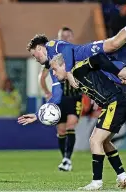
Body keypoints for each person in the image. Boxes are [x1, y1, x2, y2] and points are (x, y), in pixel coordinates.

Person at [18, 52, 126, 190]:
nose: (54, 74)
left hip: (115, 102)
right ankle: (122, 176)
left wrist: (116, 73)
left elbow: (99, 57)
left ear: (64, 65)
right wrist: (37, 115)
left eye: (55, 70)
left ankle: (97, 182)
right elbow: (56, 101)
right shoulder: (73, 80)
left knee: (95, 140)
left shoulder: (78, 69)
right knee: (105, 142)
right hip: (114, 104)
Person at [26, 10, 126, 88]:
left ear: (40, 48)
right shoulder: (51, 65)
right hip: (98, 70)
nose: (35, 58)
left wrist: (69, 73)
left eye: (34, 54)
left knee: (114, 43)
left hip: (88, 53)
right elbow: (56, 89)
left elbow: (67, 51)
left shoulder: (51, 46)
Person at [39, 27, 82, 171]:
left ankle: (67, 159)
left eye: (68, 36)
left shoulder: (77, 54)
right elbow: (42, 76)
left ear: (72, 37)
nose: (66, 38)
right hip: (60, 98)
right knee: (61, 130)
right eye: (62, 36)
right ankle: (65, 158)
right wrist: (46, 92)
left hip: (75, 97)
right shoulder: (52, 57)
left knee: (71, 125)